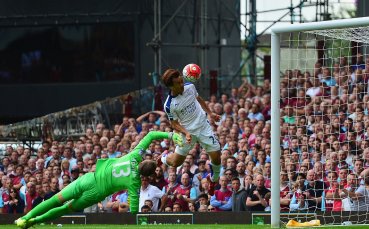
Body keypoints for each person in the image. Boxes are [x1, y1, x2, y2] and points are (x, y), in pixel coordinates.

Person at [15, 131, 183, 229]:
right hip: (96, 193)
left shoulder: (135, 154)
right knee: (66, 209)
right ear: (146, 176)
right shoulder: (135, 182)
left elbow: (152, 134)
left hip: (89, 179)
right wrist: (142, 221)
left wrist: (172, 135)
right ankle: (32, 223)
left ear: (143, 160)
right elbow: (133, 211)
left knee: (55, 199)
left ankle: (24, 218)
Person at [160, 68, 222, 182]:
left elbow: (198, 99)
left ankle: (214, 179)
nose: (182, 84)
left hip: (203, 125)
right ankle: (164, 157)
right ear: (171, 87)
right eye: (178, 83)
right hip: (187, 131)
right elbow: (174, 124)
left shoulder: (190, 86)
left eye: (181, 80)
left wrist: (210, 113)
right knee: (175, 163)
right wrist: (186, 132)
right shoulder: (169, 105)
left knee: (217, 158)